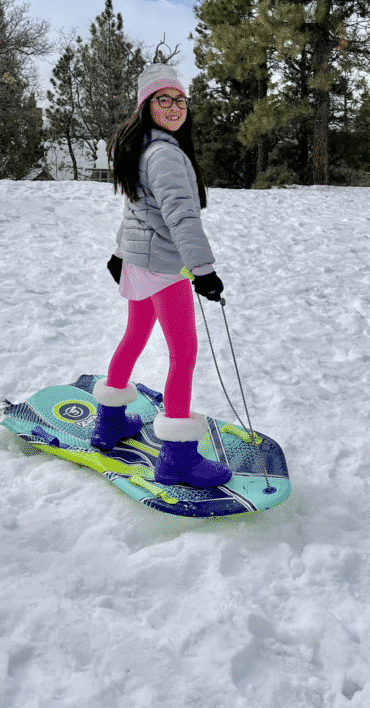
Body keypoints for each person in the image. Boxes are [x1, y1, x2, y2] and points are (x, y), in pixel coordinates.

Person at [89, 64, 233, 489]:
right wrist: (204, 271)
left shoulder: (144, 145)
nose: (174, 108)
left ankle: (110, 422)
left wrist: (121, 253)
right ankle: (177, 460)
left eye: (180, 100)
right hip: (162, 266)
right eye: (163, 100)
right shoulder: (166, 153)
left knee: (134, 336)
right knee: (183, 354)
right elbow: (180, 217)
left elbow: (138, 209)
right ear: (145, 106)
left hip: (139, 260)